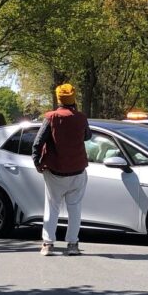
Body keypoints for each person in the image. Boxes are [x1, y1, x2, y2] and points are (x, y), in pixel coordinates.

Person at [32, 83, 92, 256]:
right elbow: (87, 136)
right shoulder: (81, 118)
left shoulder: (51, 117)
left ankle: (48, 244)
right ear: (73, 99)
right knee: (75, 209)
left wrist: (37, 162)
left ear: (58, 99)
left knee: (52, 207)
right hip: (78, 171)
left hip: (55, 171)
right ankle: (72, 244)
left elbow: (37, 143)